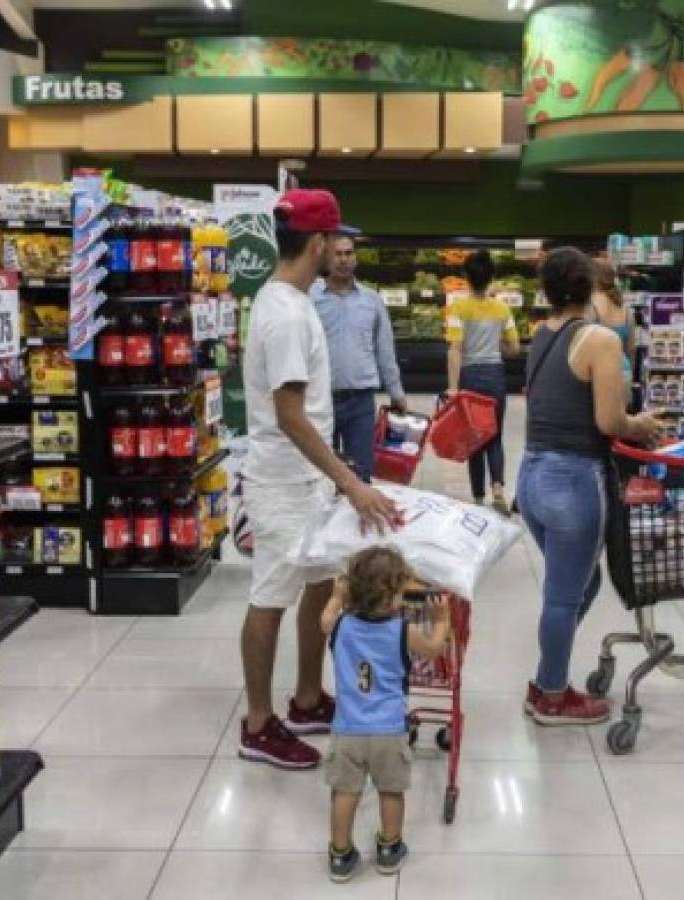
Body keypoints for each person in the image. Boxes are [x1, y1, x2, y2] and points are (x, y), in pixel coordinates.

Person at [239, 188, 399, 770]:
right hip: (282, 485)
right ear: (318, 243)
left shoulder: (294, 300)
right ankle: (257, 724)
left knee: (313, 588)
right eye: (335, 237)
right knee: (269, 598)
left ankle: (308, 699)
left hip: (306, 481)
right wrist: (353, 483)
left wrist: (334, 479)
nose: (340, 247)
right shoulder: (284, 315)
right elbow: (288, 416)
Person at [518, 247, 660, 725]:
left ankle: (546, 674)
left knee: (583, 582)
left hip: (533, 478)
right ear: (590, 288)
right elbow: (609, 421)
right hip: (574, 481)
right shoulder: (599, 339)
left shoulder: (542, 334)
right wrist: (641, 425)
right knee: (563, 595)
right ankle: (552, 695)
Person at [320, 547, 450, 882]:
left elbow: (324, 620)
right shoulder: (402, 630)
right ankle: (390, 849)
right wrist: (442, 621)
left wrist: (336, 597)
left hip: (347, 729)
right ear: (395, 598)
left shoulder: (340, 625)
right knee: (390, 791)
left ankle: (340, 853)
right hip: (389, 730)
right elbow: (435, 649)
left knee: (345, 792)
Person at [312, 235, 408, 482]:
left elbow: (384, 349)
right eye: (337, 254)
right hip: (321, 400)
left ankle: (358, 521)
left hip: (361, 402)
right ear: (326, 257)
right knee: (323, 478)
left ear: (355, 257)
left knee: (361, 474)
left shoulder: (372, 300)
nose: (344, 259)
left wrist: (396, 392)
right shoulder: (310, 298)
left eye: (349, 253)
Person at [445, 250, 519, 514]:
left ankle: (478, 497)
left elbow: (455, 348)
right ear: (492, 277)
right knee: (494, 436)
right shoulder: (502, 309)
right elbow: (514, 349)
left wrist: (453, 387)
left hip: (470, 376)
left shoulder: (457, 308)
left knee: (473, 437)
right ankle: (498, 488)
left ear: (465, 277)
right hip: (495, 375)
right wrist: (495, 342)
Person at [590, 258, 637, 380]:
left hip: (598, 374)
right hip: (623, 372)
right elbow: (632, 349)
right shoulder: (625, 310)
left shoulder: (590, 305)